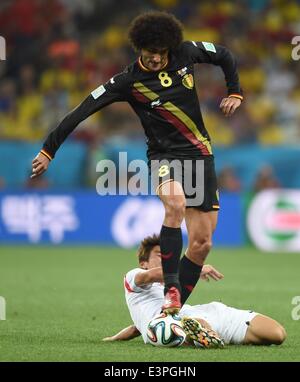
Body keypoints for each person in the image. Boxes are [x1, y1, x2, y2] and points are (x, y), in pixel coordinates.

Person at [31, 11, 243, 313]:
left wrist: (235, 91)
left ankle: (171, 311)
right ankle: (170, 290)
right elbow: (81, 111)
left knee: (202, 244)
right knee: (175, 204)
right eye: (149, 53)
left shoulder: (185, 53)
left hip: (200, 155)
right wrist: (48, 150)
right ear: (138, 48)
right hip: (164, 156)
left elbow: (224, 55)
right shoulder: (127, 81)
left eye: (160, 53)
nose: (156, 59)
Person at [103, 235, 286, 347]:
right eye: (161, 255)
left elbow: (138, 328)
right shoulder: (134, 277)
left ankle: (209, 337)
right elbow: (153, 276)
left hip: (204, 314)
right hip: (169, 325)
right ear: (143, 263)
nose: (168, 260)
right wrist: (193, 269)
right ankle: (203, 335)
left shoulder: (170, 287)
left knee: (277, 334)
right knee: (185, 323)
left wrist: (114, 338)